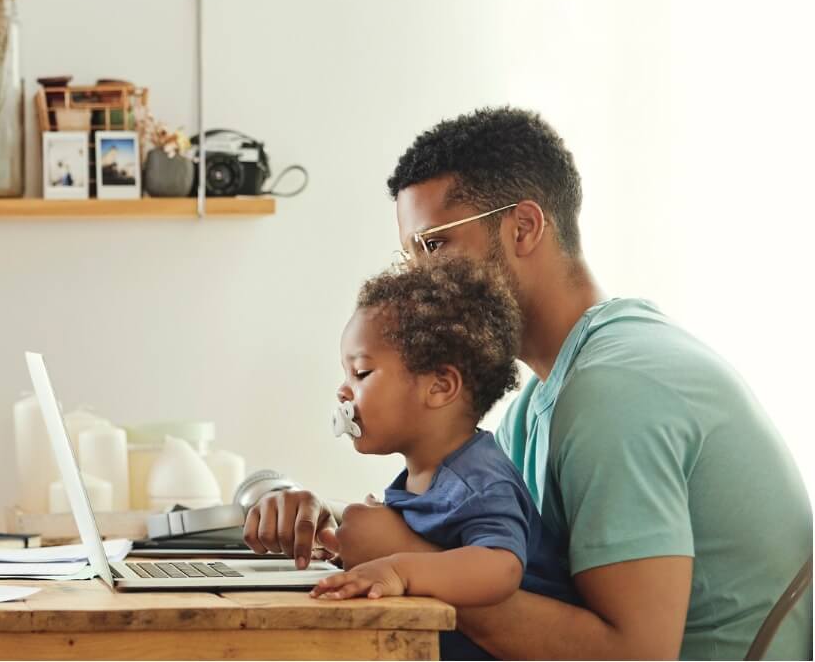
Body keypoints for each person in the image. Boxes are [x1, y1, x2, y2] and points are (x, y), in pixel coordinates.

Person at [245, 107, 811, 659]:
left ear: (523, 227)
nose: (418, 277)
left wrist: (403, 558)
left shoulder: (617, 391)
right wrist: (332, 523)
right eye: (410, 254)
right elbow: (489, 548)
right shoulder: (541, 399)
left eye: (434, 245)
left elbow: (634, 654)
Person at [307, 257, 578, 660]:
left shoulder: (478, 479)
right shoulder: (427, 475)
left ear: (440, 387)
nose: (343, 393)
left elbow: (501, 567)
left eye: (361, 374)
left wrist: (399, 568)